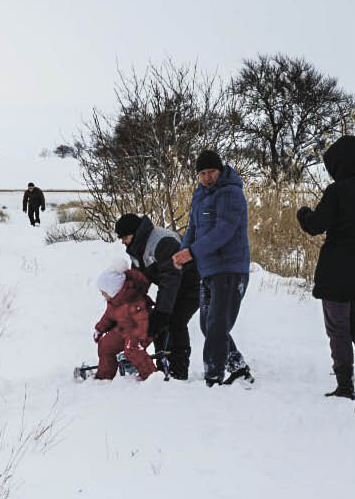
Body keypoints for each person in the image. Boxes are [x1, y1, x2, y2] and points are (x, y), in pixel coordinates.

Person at [296, 135, 355, 399]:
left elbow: (315, 225)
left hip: (336, 272)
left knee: (338, 328)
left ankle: (345, 385)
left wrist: (303, 213)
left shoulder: (337, 191)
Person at [172, 150, 252, 387]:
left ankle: (213, 378)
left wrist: (192, 252)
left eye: (211, 172)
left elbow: (223, 232)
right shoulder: (200, 196)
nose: (207, 178)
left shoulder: (231, 194)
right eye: (202, 173)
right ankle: (237, 367)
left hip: (229, 268)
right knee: (208, 325)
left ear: (221, 171)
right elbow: (193, 230)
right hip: (208, 269)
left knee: (217, 325)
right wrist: (182, 252)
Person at [114, 213, 200, 380]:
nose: (122, 241)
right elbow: (139, 281)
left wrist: (162, 312)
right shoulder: (137, 248)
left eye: (124, 237)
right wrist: (130, 308)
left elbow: (170, 279)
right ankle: (162, 367)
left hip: (192, 284)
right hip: (173, 285)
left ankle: (178, 370)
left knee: (175, 321)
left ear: (135, 232)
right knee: (155, 322)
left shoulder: (162, 242)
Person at [92, 261, 157, 380]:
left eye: (104, 292)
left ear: (113, 290)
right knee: (105, 345)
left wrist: (136, 340)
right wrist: (100, 329)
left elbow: (143, 322)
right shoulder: (114, 301)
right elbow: (109, 316)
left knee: (132, 349)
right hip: (124, 330)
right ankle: (104, 376)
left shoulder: (135, 301)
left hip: (141, 332)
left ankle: (150, 377)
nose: (102, 295)